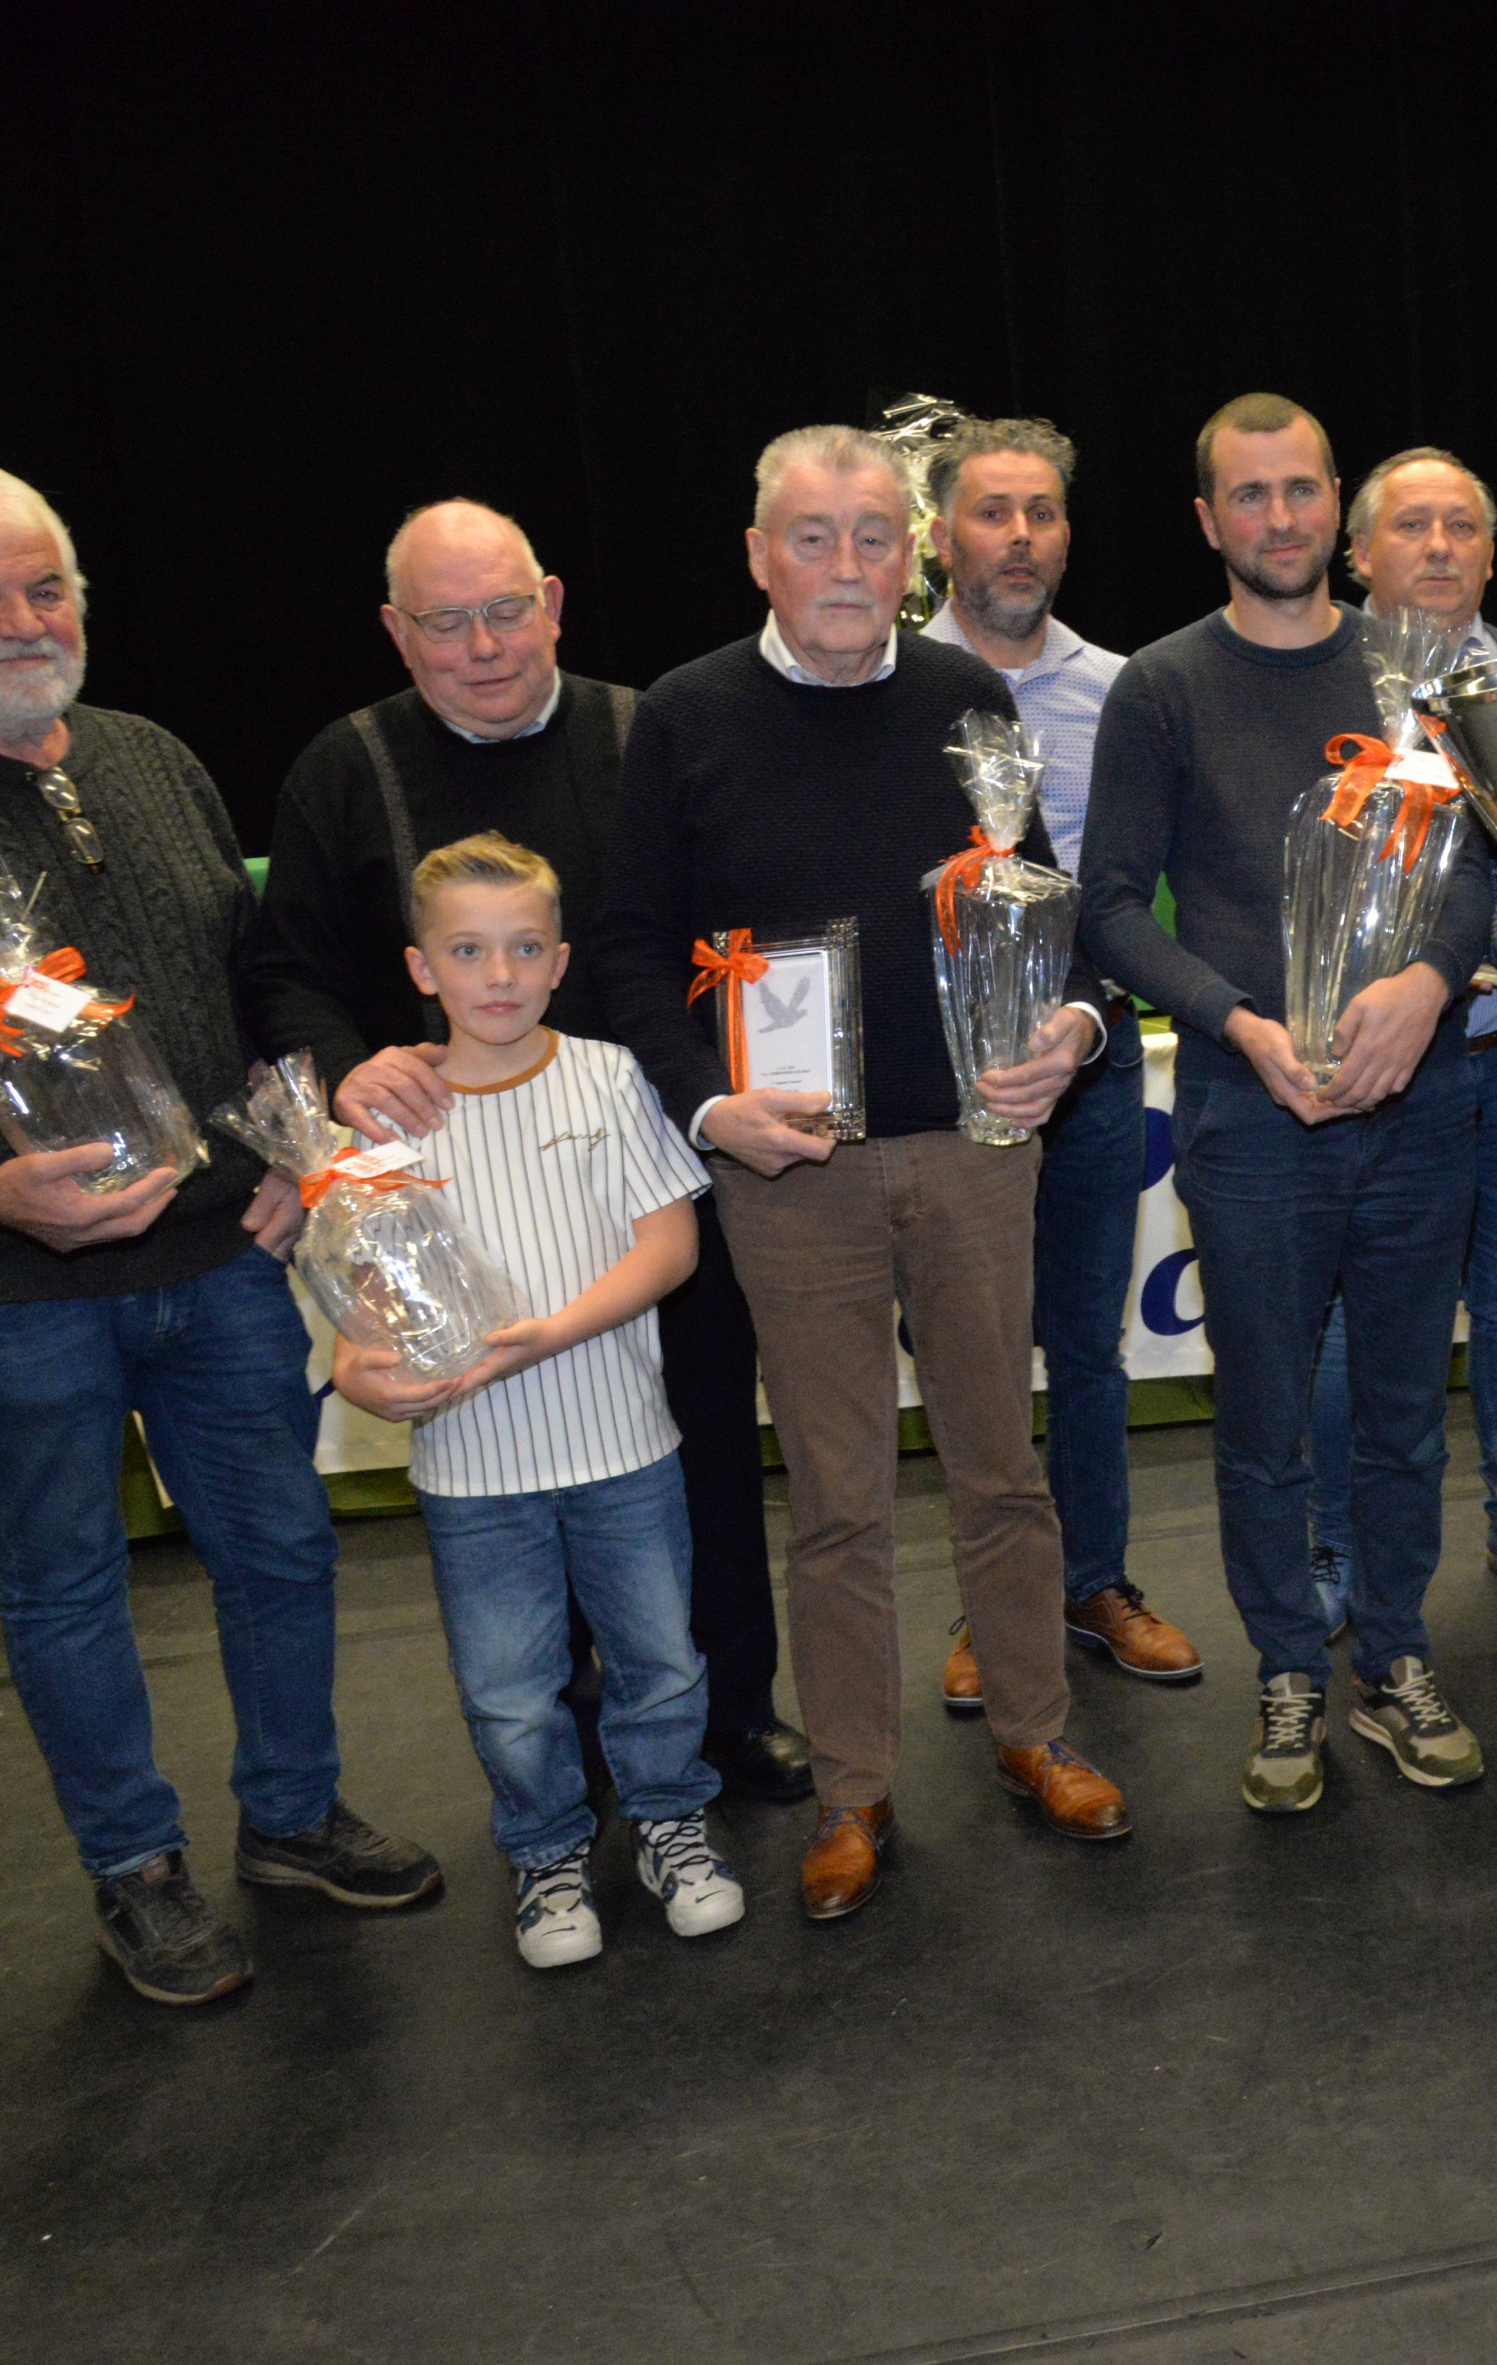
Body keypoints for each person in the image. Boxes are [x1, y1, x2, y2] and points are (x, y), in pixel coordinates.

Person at [0, 460, 442, 2006]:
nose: (22, 619)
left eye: (46, 587)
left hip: (219, 1255)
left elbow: (253, 976)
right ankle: (137, 1870)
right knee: (65, 1584)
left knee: (281, 1545)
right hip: (2, 1285)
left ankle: (293, 1815)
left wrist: (288, 1147)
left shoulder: (149, 758)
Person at [591, 424, 1132, 1926]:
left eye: (874, 537)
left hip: (974, 1147)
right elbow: (628, 948)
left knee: (1001, 1471)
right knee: (835, 1500)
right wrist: (710, 1107)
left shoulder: (968, 699)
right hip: (791, 1173)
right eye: (813, 537)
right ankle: (854, 1789)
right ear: (759, 555)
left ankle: (1033, 1732)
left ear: (914, 557)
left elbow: (1044, 904)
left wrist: (1076, 1026)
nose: (846, 565)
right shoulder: (686, 717)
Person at [248, 499, 807, 1806]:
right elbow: (286, 975)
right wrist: (345, 1068)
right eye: (446, 623)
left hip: (652, 1166)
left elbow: (734, 925)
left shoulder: (648, 730)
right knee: (510, 1467)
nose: (484, 645)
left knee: (702, 1449)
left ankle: (730, 1711)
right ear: (397, 632)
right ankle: (567, 1736)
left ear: (552, 602)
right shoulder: (344, 767)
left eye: (506, 610)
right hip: (458, 1195)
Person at [1077, 393, 1497, 1814]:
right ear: (1208, 520)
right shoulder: (1162, 687)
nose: (1279, 518)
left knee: (1402, 1414)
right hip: (1247, 1109)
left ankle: (1392, 1657)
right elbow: (1107, 906)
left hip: (1420, 1102)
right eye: (1249, 495)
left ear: (1338, 505)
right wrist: (1238, 1023)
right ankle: (1287, 1671)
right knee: (1265, 1423)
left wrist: (1430, 984)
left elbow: (1485, 864)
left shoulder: (1417, 674)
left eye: (1301, 489)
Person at [326, 835, 743, 1969]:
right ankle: (547, 1850)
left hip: (623, 1447)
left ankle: (669, 1820)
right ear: (422, 969)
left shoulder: (608, 1077)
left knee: (661, 1659)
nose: (498, 974)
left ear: (561, 961)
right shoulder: (385, 1119)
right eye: (467, 951)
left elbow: (668, 1247)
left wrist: (549, 1334)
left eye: (523, 948)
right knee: (509, 1689)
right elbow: (360, 1309)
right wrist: (363, 1373)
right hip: (471, 1470)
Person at [913, 418, 1202, 1709]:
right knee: (975, 1360)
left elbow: (1132, 891)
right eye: (992, 512)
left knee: (1085, 1349)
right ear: (941, 536)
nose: (1018, 537)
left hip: (1085, 1062)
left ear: (1068, 533)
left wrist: (1083, 1017)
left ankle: (1093, 1580)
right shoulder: (885, 684)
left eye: (1040, 512)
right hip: (940, 1083)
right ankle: (995, 1602)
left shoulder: (1124, 688)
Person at [1303, 447, 1497, 1616]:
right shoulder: (1310, 671)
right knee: (1348, 1323)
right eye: (1410, 526)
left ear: (1492, 552)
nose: (1437, 547)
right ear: (1358, 552)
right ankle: (1334, 1542)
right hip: (1371, 1063)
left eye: (1461, 527)